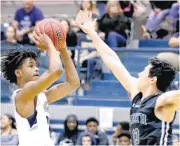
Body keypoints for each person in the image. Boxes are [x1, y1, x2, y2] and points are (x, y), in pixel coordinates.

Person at [76, 9, 180, 145]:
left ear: (152, 79)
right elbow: (113, 61)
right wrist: (92, 33)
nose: (139, 74)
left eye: (144, 71)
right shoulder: (137, 93)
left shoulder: (162, 101)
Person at [1, 26, 80, 146]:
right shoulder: (23, 93)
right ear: (18, 73)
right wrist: (50, 45)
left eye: (36, 65)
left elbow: (73, 83)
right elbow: (56, 70)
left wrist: (63, 48)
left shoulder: (43, 96)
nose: (37, 68)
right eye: (31, 65)